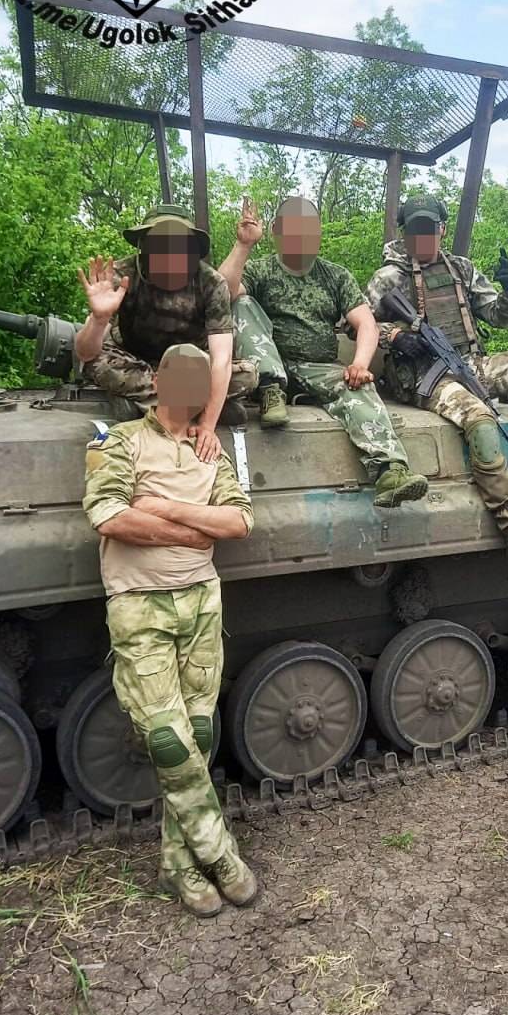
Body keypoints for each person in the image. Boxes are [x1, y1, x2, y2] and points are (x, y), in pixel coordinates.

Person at [82, 342, 257, 918]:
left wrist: (168, 510)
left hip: (201, 602)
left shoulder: (210, 449)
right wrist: (194, 534)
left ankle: (178, 862)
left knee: (198, 735)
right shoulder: (120, 441)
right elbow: (109, 514)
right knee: (167, 739)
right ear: (157, 381)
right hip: (140, 603)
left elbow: (240, 519)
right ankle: (219, 853)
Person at [365, 195, 508, 562]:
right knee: (480, 418)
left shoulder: (461, 269)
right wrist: (394, 336)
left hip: (469, 364)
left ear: (442, 230)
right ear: (405, 233)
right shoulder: (388, 277)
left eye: (430, 229)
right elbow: (353, 324)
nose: (423, 238)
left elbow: (498, 318)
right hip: (423, 375)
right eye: (416, 230)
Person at [219, 195, 429, 509]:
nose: (303, 237)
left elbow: (366, 323)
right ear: (277, 232)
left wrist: (360, 364)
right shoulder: (260, 270)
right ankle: (270, 390)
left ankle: (390, 471)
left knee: (359, 387)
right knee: (242, 302)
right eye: (294, 230)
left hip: (318, 365)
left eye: (310, 230)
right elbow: (221, 294)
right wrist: (243, 245)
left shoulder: (335, 276)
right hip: (265, 365)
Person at [74, 204, 260, 463]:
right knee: (97, 363)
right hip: (135, 362)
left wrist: (207, 426)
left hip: (190, 368)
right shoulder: (121, 276)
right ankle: (188, 407)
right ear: (144, 247)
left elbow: (222, 360)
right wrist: (99, 319)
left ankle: (147, 407)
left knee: (247, 375)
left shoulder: (210, 283)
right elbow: (85, 353)